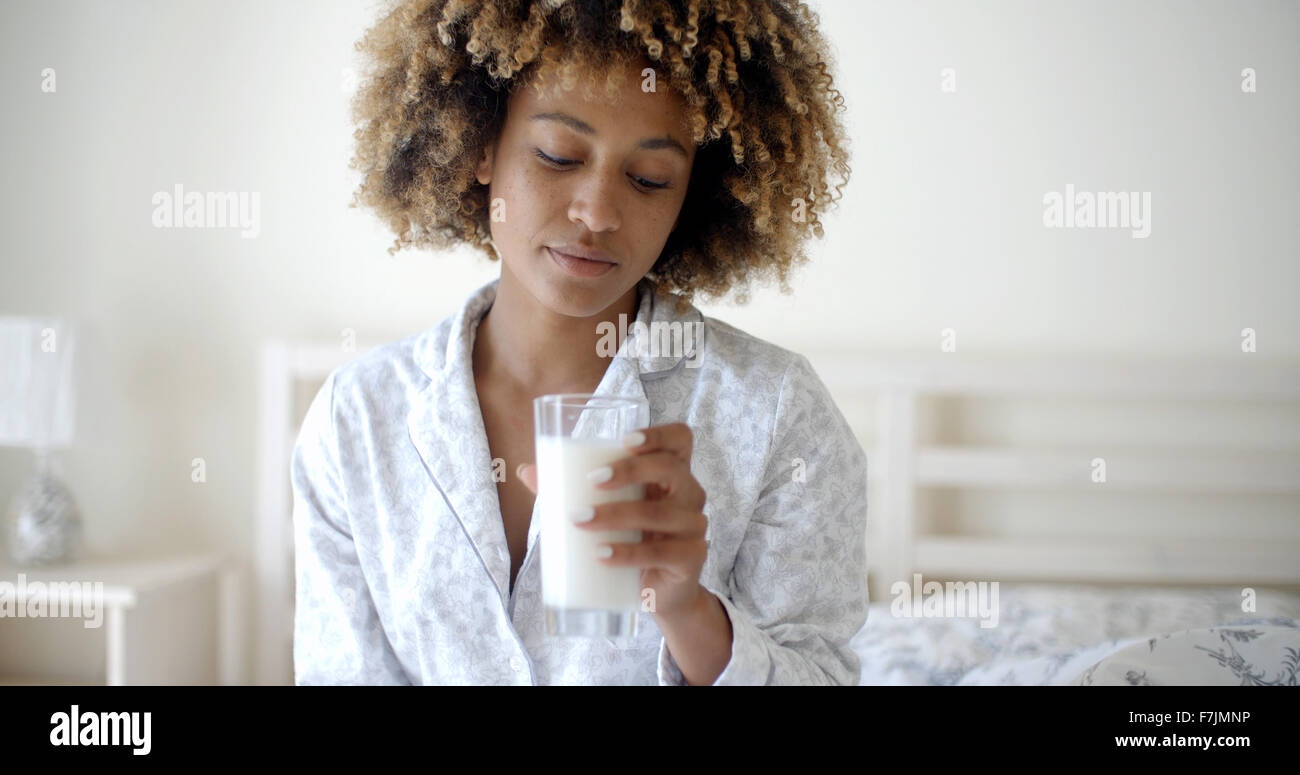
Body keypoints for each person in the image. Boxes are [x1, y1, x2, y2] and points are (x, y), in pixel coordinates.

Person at [292, 0, 866, 685]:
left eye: (649, 179)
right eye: (558, 155)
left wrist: (686, 608)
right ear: (482, 146)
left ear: (692, 195)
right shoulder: (356, 420)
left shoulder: (779, 418)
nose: (597, 212)